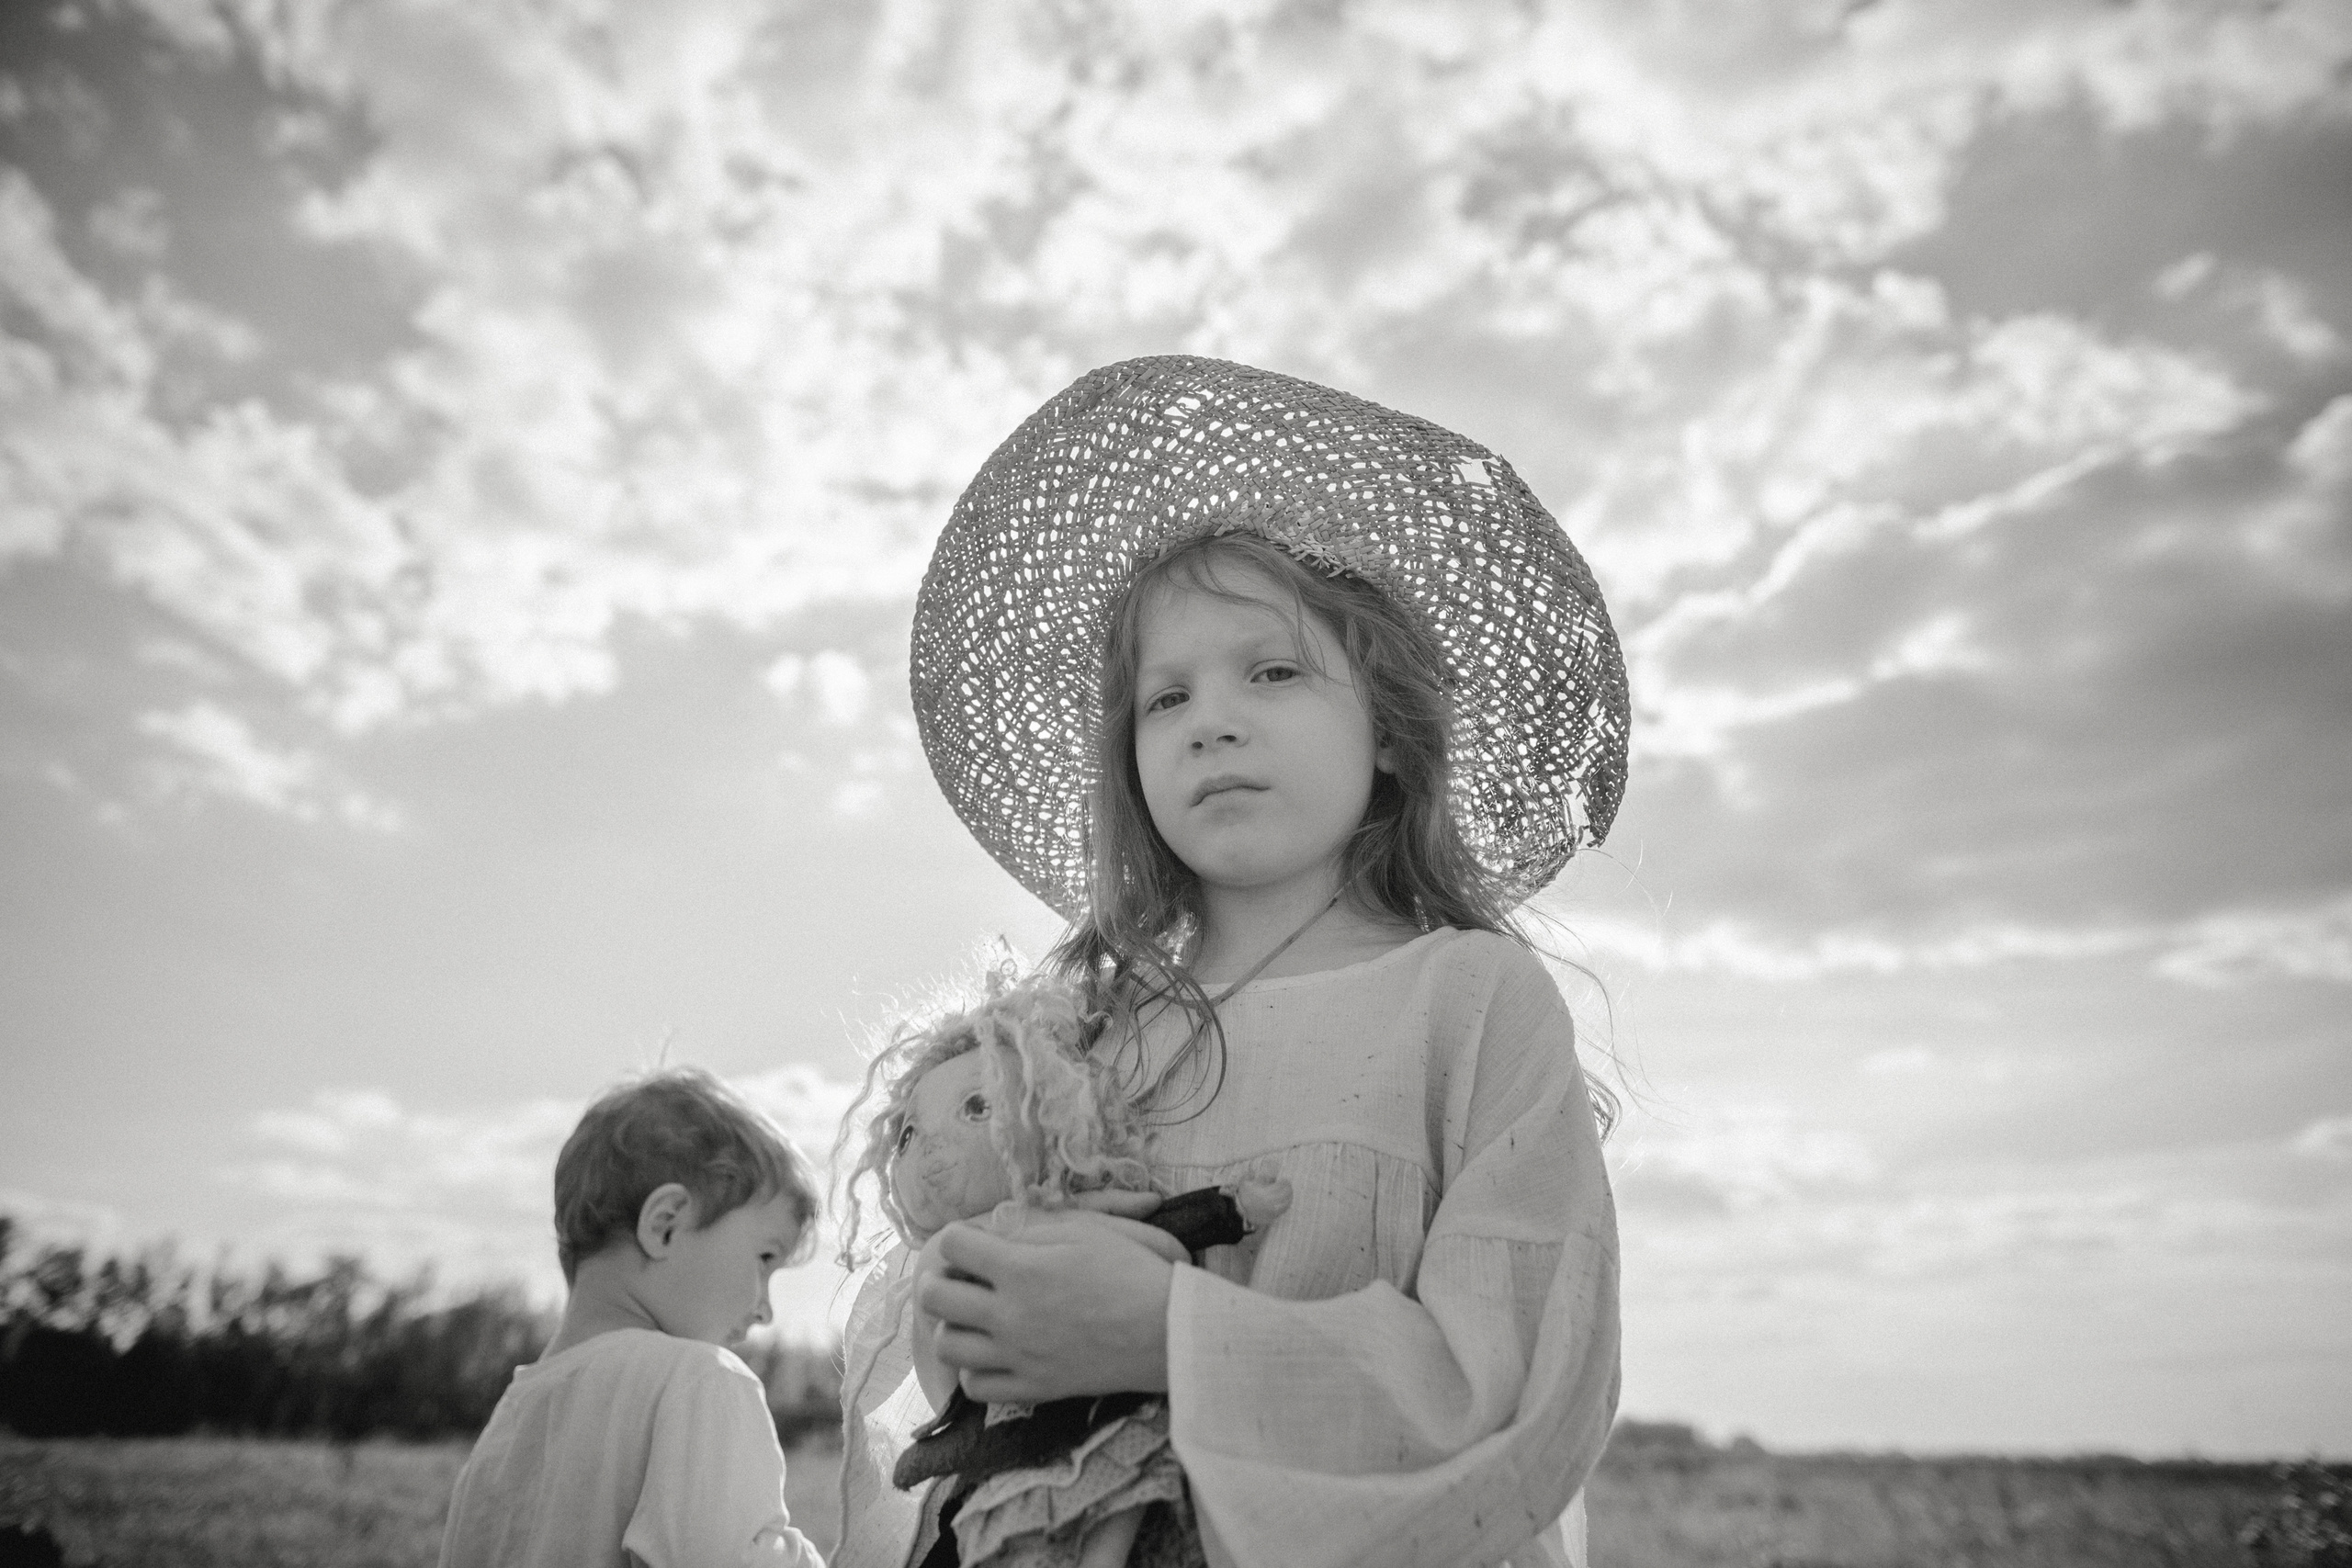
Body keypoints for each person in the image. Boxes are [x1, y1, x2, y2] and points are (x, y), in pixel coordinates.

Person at [840, 355, 1629, 1568]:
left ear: (1390, 734)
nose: (1213, 717)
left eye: (1273, 671)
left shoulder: (1467, 1002)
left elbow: (1518, 1388)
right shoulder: (1079, 1033)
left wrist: (1169, 1330)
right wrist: (978, 1299)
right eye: (1166, 697)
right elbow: (944, 1351)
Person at [439, 1067, 829, 1568]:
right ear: (665, 1225)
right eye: (765, 1260)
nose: (765, 1310)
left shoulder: (509, 1423)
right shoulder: (698, 1382)